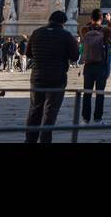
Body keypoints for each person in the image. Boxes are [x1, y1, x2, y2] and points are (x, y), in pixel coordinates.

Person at [25, 11, 78, 144]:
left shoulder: (37, 33)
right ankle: (45, 140)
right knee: (50, 112)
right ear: (63, 23)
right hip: (57, 78)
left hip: (37, 77)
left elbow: (28, 53)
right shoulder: (66, 35)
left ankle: (30, 140)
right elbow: (75, 56)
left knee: (35, 109)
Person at [79, 8, 111, 124]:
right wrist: (109, 21)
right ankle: (98, 119)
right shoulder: (105, 31)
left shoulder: (85, 30)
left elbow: (83, 29)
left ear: (91, 18)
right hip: (101, 66)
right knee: (100, 93)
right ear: (101, 18)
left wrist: (91, 23)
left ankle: (85, 119)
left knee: (87, 93)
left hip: (88, 66)